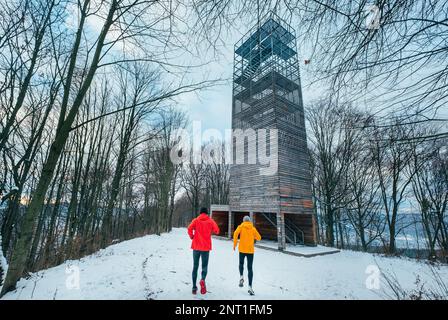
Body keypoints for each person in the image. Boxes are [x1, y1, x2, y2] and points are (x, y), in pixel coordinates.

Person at [187, 207, 220, 295]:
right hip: (205, 247)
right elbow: (217, 231)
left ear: (200, 213)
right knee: (204, 266)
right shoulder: (210, 221)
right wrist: (211, 230)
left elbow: (189, 228)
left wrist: (192, 236)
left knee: (195, 266)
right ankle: (202, 279)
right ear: (207, 213)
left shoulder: (196, 220)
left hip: (196, 246)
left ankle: (194, 287)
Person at [233, 215, 261, 295]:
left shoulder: (241, 227)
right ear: (249, 221)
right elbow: (259, 238)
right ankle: (250, 287)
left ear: (243, 221)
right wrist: (254, 236)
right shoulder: (253, 228)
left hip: (242, 249)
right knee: (250, 268)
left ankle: (241, 277)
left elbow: (235, 233)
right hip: (250, 251)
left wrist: (235, 244)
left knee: (241, 264)